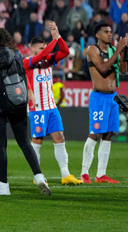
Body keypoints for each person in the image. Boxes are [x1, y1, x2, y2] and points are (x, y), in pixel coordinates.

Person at [0, 28, 51, 196]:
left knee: (0, 146)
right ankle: (39, 176)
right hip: (17, 101)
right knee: (25, 142)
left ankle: (4, 186)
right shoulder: (16, 55)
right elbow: (22, 75)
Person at [25, 25, 83, 186]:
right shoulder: (27, 62)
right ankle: (37, 175)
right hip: (37, 109)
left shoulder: (48, 61)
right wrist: (54, 39)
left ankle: (66, 174)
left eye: (45, 47)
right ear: (32, 49)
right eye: (41, 48)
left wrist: (58, 36)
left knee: (59, 137)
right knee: (37, 141)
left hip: (51, 107)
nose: (45, 51)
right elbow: (43, 54)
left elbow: (64, 52)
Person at [80, 23, 128, 184]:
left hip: (113, 97)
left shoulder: (114, 50)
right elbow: (102, 67)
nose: (110, 34)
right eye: (106, 32)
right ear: (98, 35)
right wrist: (119, 49)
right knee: (95, 133)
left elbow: (122, 70)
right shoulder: (92, 49)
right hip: (99, 97)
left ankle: (101, 174)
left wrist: (124, 52)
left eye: (110, 31)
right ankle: (84, 173)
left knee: (108, 135)